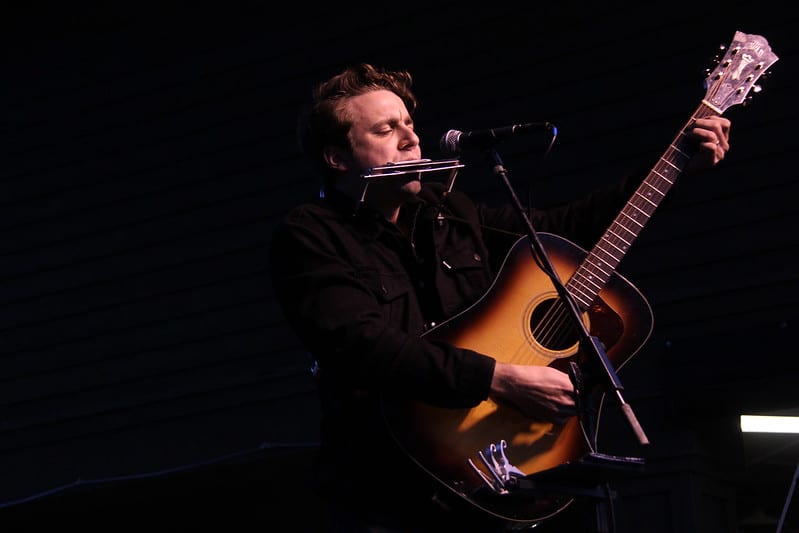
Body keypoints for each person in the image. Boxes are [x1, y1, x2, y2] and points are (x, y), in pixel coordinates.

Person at [268, 63, 731, 532]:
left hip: (500, 465)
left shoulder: (449, 211)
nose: (410, 139)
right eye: (387, 129)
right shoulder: (310, 234)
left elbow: (565, 233)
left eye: (409, 124)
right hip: (387, 485)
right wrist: (501, 379)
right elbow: (361, 344)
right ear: (337, 158)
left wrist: (673, 168)